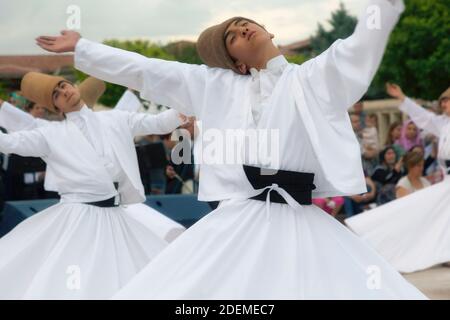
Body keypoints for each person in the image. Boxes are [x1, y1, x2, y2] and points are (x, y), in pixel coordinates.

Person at [37, 0, 425, 299]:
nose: (241, 29)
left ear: (268, 31)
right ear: (233, 62)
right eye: (232, 36)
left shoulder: (313, 78)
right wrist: (84, 49)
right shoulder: (214, 85)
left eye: (245, 24)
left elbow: (358, 50)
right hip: (242, 214)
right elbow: (147, 70)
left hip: (300, 215)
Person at [0, 72, 187, 299]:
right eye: (56, 95)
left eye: (64, 85)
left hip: (115, 214)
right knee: (82, 277)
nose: (65, 92)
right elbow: (11, 143)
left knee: (134, 272)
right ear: (55, 107)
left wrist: (185, 107)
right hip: (79, 216)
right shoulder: (50, 134)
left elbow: (157, 122)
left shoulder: (116, 118)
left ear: (73, 85)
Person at [345, 84, 450, 273]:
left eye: (447, 101)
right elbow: (423, 117)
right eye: (443, 101)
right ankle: (372, 237)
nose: (444, 105)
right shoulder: (442, 123)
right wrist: (402, 97)